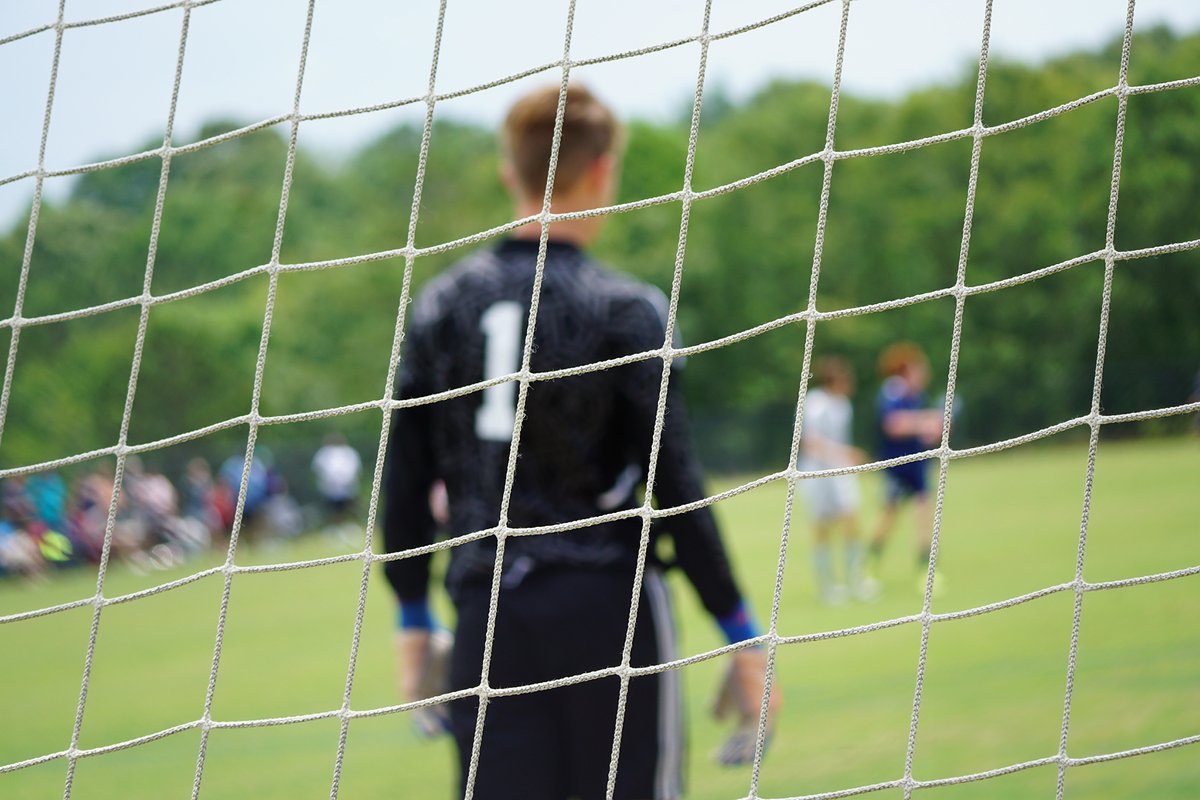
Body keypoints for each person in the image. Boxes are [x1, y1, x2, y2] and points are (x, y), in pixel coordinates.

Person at [382, 83, 779, 800]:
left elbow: (403, 479)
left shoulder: (440, 305)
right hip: (608, 610)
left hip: (487, 615)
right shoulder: (625, 310)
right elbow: (676, 486)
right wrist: (740, 628)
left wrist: (412, 613)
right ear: (604, 171)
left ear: (509, 172)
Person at [866, 342, 946, 594]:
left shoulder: (916, 396)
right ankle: (869, 566)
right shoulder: (893, 390)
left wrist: (932, 430)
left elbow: (916, 430)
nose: (924, 374)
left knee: (925, 515)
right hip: (897, 465)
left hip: (918, 464)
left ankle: (926, 572)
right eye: (919, 369)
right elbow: (893, 424)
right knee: (888, 515)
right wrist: (925, 421)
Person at [799, 356, 875, 604]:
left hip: (840, 473)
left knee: (851, 522)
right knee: (822, 528)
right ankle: (828, 587)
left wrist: (844, 458)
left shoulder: (844, 405)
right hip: (817, 474)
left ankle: (857, 581)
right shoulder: (815, 403)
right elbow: (811, 443)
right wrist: (845, 453)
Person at [311, 432, 362, 534]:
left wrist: (348, 480)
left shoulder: (349, 452)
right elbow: (318, 469)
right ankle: (334, 528)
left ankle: (350, 526)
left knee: (349, 508)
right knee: (332, 509)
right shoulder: (324, 453)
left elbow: (355, 468)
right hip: (330, 488)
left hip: (347, 487)